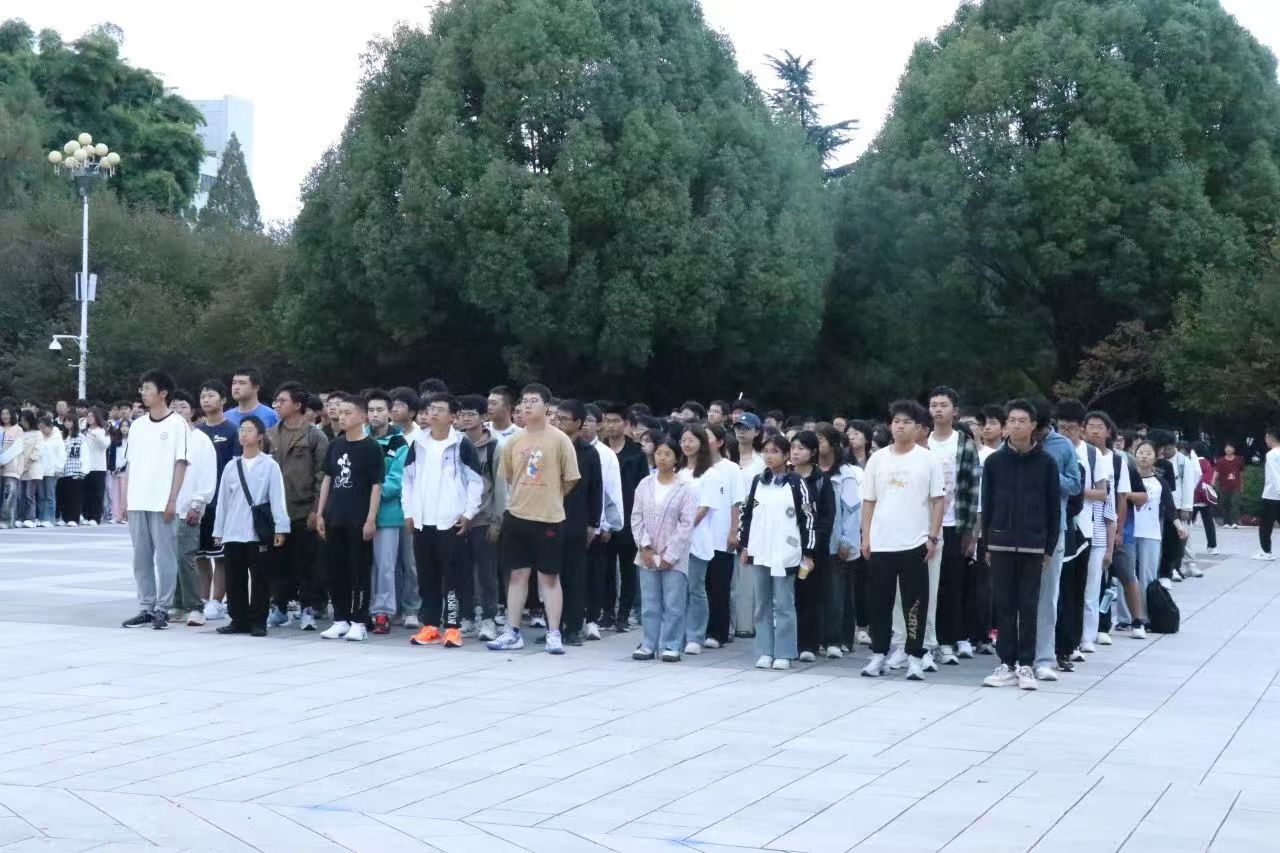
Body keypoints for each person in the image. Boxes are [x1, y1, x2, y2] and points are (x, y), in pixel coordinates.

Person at [487, 384, 580, 654]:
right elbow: (508, 477)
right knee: (517, 574)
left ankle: (554, 633)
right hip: (517, 515)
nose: (527, 406)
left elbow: (570, 479)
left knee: (549, 577)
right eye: (524, 401)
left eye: (533, 401)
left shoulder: (560, 439)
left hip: (549, 517)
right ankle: (512, 632)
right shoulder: (513, 441)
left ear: (546, 407)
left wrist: (550, 496)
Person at [860, 401, 945, 681]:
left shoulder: (928, 459)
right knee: (880, 603)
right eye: (896, 421)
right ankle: (879, 654)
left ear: (918, 427)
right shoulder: (878, 459)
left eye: (907, 422)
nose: (900, 426)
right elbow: (869, 500)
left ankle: (915, 656)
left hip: (915, 543)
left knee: (914, 604)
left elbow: (938, 500)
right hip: (881, 542)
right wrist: (866, 536)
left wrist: (932, 537)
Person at [979, 400, 1060, 691]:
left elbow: (1054, 509)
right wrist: (987, 544)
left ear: (1033, 425)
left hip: (1033, 545)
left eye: (1022, 420)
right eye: (1011, 420)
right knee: (1003, 605)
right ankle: (1006, 662)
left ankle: (1026, 664)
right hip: (1000, 543)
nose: (1016, 425)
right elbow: (987, 505)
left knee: (1028, 606)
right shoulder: (994, 462)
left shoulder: (1047, 463)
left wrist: (1049, 547)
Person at [402, 393, 482, 648]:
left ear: (452, 417)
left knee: (453, 575)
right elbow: (407, 479)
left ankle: (453, 626)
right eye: (430, 409)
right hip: (423, 520)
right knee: (427, 575)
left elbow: (475, 481)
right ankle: (430, 625)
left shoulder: (461, 444)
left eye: (439, 409)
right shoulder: (417, 443)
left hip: (451, 521)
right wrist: (408, 512)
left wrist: (468, 513)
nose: (433, 413)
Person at [120, 370, 191, 630]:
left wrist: (172, 500)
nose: (143, 393)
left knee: (165, 557)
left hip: (162, 502)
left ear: (163, 393)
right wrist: (126, 499)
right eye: (142, 388)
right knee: (141, 558)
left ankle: (163, 607)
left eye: (147, 388)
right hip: (138, 500)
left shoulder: (177, 424)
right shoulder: (137, 425)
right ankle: (146, 607)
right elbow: (130, 464)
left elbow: (181, 463)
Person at [740, 434, 816, 671]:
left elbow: (808, 518)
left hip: (786, 551)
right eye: (766, 451)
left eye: (775, 451)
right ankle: (765, 650)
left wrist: (808, 552)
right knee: (762, 604)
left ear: (785, 455)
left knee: (784, 604)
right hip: (760, 549)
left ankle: (784, 652)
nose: (769, 456)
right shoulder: (757, 481)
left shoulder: (796, 482)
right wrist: (744, 546)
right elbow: (747, 515)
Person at [212, 415, 290, 637]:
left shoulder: (270, 465)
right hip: (233, 531)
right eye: (241, 430)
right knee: (234, 578)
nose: (243, 434)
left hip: (257, 531)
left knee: (260, 578)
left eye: (249, 430)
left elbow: (277, 497)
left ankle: (258, 621)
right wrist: (219, 530)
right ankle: (238, 619)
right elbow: (223, 501)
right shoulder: (231, 466)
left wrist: (281, 528)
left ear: (260, 436)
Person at [316, 393, 384, 642]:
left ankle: (359, 620)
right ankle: (340, 619)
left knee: (359, 570)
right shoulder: (335, 444)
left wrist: (371, 519)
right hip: (335, 517)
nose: (342, 417)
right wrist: (321, 512)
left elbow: (376, 485)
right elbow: (328, 479)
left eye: (348, 412)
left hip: (358, 518)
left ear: (363, 416)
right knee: (335, 569)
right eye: (340, 412)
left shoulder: (371, 447)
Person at [267, 382, 329, 631]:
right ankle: (279, 607)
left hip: (304, 509)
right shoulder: (270, 434)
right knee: (278, 562)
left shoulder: (314, 435)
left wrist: (317, 509)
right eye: (276, 401)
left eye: (282, 401)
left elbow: (322, 475)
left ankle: (308, 609)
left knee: (307, 563)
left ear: (297, 404)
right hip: (276, 510)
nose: (277, 405)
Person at [927, 386, 982, 667]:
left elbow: (973, 489)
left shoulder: (964, 444)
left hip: (953, 522)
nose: (938, 409)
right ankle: (924, 642)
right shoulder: (922, 441)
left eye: (943, 405)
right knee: (924, 586)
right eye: (934, 404)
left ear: (955, 411)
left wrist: (971, 532)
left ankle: (948, 641)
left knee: (950, 585)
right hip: (923, 524)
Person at [631, 435, 697, 661]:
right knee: (649, 602)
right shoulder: (645, 484)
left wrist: (671, 553)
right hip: (647, 554)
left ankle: (671, 644)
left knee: (673, 603)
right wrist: (645, 547)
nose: (662, 458)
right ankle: (648, 644)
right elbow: (636, 517)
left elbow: (686, 524)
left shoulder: (685, 489)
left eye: (667, 454)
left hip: (674, 555)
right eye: (659, 453)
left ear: (676, 458)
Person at [1032, 400, 1083, 682]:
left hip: (1054, 529)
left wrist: (1049, 471)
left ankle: (1045, 656)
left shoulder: (1062, 446)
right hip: (1019, 530)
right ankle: (1017, 654)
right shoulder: (1011, 445)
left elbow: (1075, 485)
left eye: (1036, 430)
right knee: (1018, 595)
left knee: (1048, 598)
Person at [594, 402, 648, 639]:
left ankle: (624, 614)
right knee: (604, 568)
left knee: (627, 569)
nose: (610, 426)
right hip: (603, 516)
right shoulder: (599, 450)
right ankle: (606, 612)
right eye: (607, 421)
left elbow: (643, 487)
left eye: (616, 421)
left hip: (629, 517)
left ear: (626, 424)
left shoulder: (637, 453)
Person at [457, 394, 507, 641]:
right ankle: (465, 616)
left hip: (485, 518)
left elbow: (501, 487)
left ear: (483, 416)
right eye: (462, 414)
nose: (466, 419)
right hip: (458, 518)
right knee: (461, 570)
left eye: (471, 414)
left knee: (487, 572)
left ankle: (489, 618)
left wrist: (498, 521)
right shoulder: (454, 443)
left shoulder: (495, 447)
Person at [553, 399, 602, 647]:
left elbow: (596, 490)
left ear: (579, 423)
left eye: (564, 419)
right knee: (551, 576)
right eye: (557, 418)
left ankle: (573, 627)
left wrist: (593, 523)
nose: (558, 423)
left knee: (574, 576)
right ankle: (554, 626)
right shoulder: (549, 446)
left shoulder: (589, 453)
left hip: (577, 521)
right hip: (549, 518)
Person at [168, 390, 218, 626]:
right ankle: (177, 604)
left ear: (192, 411)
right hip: (167, 507)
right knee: (172, 558)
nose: (178, 411)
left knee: (187, 557)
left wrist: (198, 503)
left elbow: (207, 474)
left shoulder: (201, 440)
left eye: (183, 407)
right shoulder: (167, 439)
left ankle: (195, 606)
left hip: (189, 506)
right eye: (174, 407)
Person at [366, 389, 410, 635]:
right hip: (359, 512)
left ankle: (383, 612)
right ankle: (362, 608)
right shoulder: (360, 438)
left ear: (390, 413)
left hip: (388, 514)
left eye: (379, 410)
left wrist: (373, 491)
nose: (374, 414)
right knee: (363, 564)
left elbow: (397, 479)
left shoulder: (399, 442)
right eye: (370, 410)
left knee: (385, 566)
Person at [789, 430, 834, 663]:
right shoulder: (785, 477)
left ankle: (808, 643)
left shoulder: (821, 480)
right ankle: (789, 642)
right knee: (787, 596)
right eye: (792, 447)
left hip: (812, 550)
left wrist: (812, 547)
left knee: (809, 595)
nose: (795, 452)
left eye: (801, 448)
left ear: (813, 452)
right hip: (785, 547)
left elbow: (826, 518)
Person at [197, 380, 240, 621]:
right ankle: (202, 598)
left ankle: (217, 600)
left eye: (211, 395)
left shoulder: (232, 430)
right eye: (203, 396)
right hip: (200, 502)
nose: (206, 400)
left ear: (223, 400)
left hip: (222, 503)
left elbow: (235, 469)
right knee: (200, 555)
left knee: (220, 556)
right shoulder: (197, 432)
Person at [817, 423, 861, 658]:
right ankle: (818, 637)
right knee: (816, 592)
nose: (816, 446)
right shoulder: (809, 471)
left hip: (837, 542)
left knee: (837, 592)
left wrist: (847, 541)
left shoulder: (845, 474)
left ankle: (838, 639)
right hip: (814, 542)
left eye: (820, 441)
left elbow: (852, 511)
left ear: (833, 444)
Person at [678, 423, 720, 656]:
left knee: (695, 587)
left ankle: (695, 635)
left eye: (691, 440)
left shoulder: (710, 474)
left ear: (702, 443)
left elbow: (704, 507)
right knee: (677, 589)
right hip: (676, 538)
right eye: (683, 440)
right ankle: (678, 633)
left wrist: (685, 528)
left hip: (697, 537)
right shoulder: (679, 471)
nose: (686, 444)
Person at [388, 387, 424, 624]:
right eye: (392, 405)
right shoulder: (388, 435)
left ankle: (412, 608)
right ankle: (394, 608)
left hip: (413, 506)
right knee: (391, 562)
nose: (394, 409)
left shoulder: (421, 437)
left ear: (412, 412)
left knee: (410, 561)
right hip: (390, 506)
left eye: (399, 405)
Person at [703, 424, 741, 649]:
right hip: (699, 537)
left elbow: (737, 502)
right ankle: (699, 628)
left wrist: (733, 531)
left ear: (719, 442)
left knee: (719, 587)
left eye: (707, 437)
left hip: (721, 534)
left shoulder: (731, 469)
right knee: (699, 587)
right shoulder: (692, 467)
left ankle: (718, 632)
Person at [731, 412, 767, 639]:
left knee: (747, 576)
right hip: (726, 519)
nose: (741, 432)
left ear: (757, 432)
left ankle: (746, 623)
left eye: (746, 428)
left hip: (751, 519)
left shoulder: (761, 462)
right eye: (738, 427)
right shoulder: (727, 458)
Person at [81, 408, 110, 526]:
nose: (89, 418)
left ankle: (96, 517)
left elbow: (106, 445)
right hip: (86, 466)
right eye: (88, 416)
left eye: (92, 416)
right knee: (86, 492)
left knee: (97, 493)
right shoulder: (85, 431)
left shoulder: (102, 431)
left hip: (98, 467)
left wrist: (96, 436)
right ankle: (86, 515)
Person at [1255, 426, 1280, 562]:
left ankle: (1266, 552)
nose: (1265, 440)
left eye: (1266, 438)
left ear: (1271, 437)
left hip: (1272, 495)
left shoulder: (1271, 454)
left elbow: (1275, 474)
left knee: (1265, 525)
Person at [0, 404, 27, 528]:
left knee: (8, 495)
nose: (4, 416)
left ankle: (7, 521)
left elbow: (17, 448)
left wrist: (2, 460)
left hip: (11, 468)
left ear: (12, 415)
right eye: (2, 414)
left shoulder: (18, 429)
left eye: (7, 413)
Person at [37, 416, 64, 528]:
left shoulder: (57, 438)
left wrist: (59, 468)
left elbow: (61, 454)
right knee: (41, 496)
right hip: (40, 470)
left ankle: (49, 518)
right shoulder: (40, 437)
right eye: (40, 427)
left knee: (49, 496)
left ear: (50, 426)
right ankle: (41, 518)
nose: (42, 429)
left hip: (52, 471)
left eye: (44, 427)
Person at [17, 411, 42, 528]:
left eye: (25, 420)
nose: (23, 423)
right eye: (21, 420)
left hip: (33, 468)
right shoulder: (21, 434)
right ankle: (20, 518)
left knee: (29, 495)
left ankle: (30, 518)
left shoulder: (37, 433)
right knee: (20, 495)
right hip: (20, 468)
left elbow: (38, 451)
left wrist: (28, 462)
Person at [1192, 442, 1217, 555]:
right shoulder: (1206, 462)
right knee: (1208, 523)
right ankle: (1212, 546)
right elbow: (1207, 480)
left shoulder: (1191, 462)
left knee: (1186, 524)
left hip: (1192, 498)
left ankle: (1182, 546)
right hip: (1203, 498)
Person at [58, 420, 84, 527]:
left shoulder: (80, 437)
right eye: (66, 421)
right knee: (65, 495)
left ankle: (74, 518)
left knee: (74, 495)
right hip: (63, 469)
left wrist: (84, 468)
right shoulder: (62, 437)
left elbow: (84, 453)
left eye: (70, 421)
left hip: (76, 468)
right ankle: (65, 517)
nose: (67, 423)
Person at [1214, 442, 1245, 529]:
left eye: (1230, 447)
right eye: (1226, 447)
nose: (1228, 449)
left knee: (1235, 503)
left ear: (1234, 450)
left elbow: (1241, 473)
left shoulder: (1238, 460)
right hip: (1224, 486)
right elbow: (1216, 471)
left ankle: (1235, 522)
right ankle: (1226, 522)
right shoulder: (1220, 461)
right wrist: (1213, 481)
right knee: (1225, 504)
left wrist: (1242, 485)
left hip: (1236, 485)